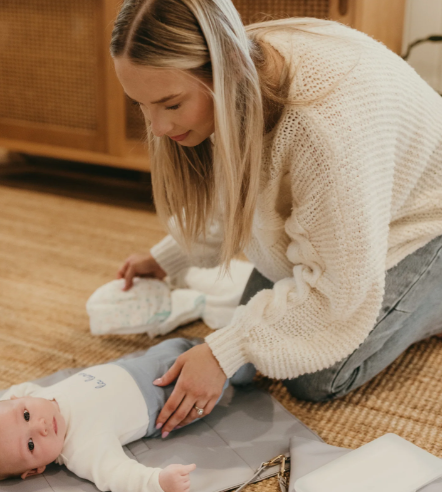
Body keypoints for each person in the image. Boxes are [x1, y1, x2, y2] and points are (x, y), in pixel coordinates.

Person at [110, 0, 442, 438]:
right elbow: (237, 190)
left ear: (222, 70)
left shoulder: (324, 132)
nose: (156, 126)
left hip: (422, 218)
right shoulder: (238, 73)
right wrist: (173, 256)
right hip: (355, 214)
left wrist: (223, 352)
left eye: (169, 104)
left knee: (316, 376)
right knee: (261, 336)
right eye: (143, 105)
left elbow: (337, 293)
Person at [0, 338, 254, 492]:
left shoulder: (33, 395)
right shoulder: (82, 450)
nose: (38, 426)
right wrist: (159, 481)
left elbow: (11, 401)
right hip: (169, 396)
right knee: (223, 375)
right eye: (30, 445)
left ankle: (222, 341)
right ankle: (247, 362)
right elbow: (120, 475)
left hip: (146, 362)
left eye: (25, 415)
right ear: (37, 469)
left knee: (182, 345)